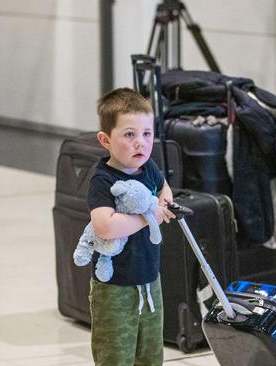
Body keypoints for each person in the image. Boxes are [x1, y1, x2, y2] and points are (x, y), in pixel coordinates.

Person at [88, 87, 175, 365]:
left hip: (150, 280)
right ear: (105, 140)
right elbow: (105, 226)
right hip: (114, 287)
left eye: (147, 134)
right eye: (129, 135)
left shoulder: (148, 168)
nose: (141, 143)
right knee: (115, 354)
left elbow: (164, 188)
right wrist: (147, 218)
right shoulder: (103, 179)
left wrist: (164, 202)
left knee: (150, 354)